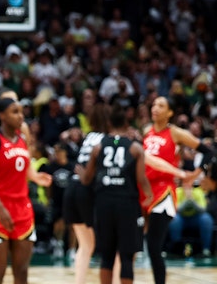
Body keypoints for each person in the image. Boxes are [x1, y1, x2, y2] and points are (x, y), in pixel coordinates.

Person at [0, 98, 52, 284]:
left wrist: (35, 177)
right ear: (1, 115)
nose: (21, 116)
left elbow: (20, 169)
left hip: (22, 209)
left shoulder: (23, 140)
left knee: (22, 272)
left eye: (21, 111)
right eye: (15, 111)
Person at [78, 102, 153, 284]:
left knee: (107, 256)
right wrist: (149, 198)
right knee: (126, 256)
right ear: (127, 125)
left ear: (109, 124)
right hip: (127, 203)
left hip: (104, 203)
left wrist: (80, 171)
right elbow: (141, 179)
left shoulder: (98, 147)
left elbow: (87, 179)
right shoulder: (135, 149)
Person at [141, 96, 212, 284]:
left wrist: (196, 173)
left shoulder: (176, 133)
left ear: (170, 112)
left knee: (155, 247)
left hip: (163, 191)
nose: (155, 108)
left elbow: (208, 151)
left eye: (161, 105)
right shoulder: (146, 131)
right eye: (154, 104)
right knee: (135, 244)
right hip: (143, 190)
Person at [64, 102, 107, 284]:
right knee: (96, 244)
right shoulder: (105, 139)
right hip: (84, 190)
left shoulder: (89, 136)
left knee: (85, 244)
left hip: (71, 189)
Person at [168, 180, 214, 257]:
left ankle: (206, 249)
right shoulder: (177, 192)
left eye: (189, 183)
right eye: (185, 183)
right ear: (182, 184)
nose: (187, 186)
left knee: (207, 219)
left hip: (196, 218)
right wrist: (186, 200)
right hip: (181, 218)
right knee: (174, 220)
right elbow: (176, 210)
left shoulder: (198, 192)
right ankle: (176, 249)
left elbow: (203, 210)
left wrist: (192, 200)